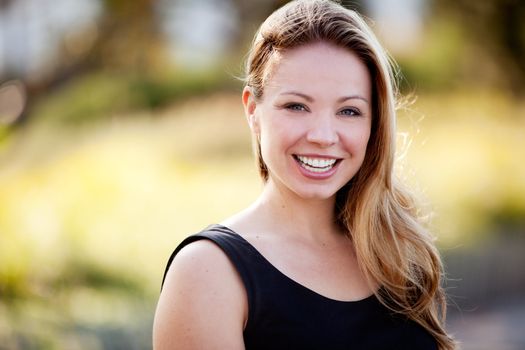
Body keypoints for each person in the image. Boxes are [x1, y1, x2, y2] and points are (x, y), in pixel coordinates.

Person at [153, 0, 456, 349]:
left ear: (375, 123)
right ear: (253, 111)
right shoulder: (207, 274)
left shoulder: (395, 253)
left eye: (349, 110)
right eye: (297, 106)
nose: (323, 136)